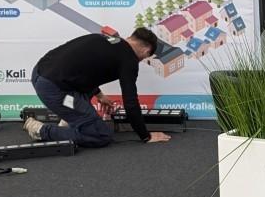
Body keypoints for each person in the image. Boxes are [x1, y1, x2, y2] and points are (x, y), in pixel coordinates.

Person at [24, 27, 172, 147]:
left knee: (81, 103)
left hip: (39, 73)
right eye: (145, 58)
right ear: (146, 50)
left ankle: (69, 118)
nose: (141, 60)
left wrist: (100, 95)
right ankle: (41, 130)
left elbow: (82, 70)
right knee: (101, 135)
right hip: (57, 92)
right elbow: (130, 101)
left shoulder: (104, 39)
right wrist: (145, 135)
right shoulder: (129, 60)